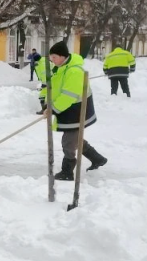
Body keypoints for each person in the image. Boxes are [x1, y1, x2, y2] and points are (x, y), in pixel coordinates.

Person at [46, 41, 108, 181]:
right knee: (75, 139)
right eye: (51, 57)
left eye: (54, 57)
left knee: (68, 142)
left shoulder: (74, 71)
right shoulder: (61, 68)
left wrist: (54, 109)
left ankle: (67, 172)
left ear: (62, 56)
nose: (52, 60)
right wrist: (48, 105)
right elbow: (56, 89)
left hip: (77, 111)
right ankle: (97, 159)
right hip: (69, 110)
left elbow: (69, 95)